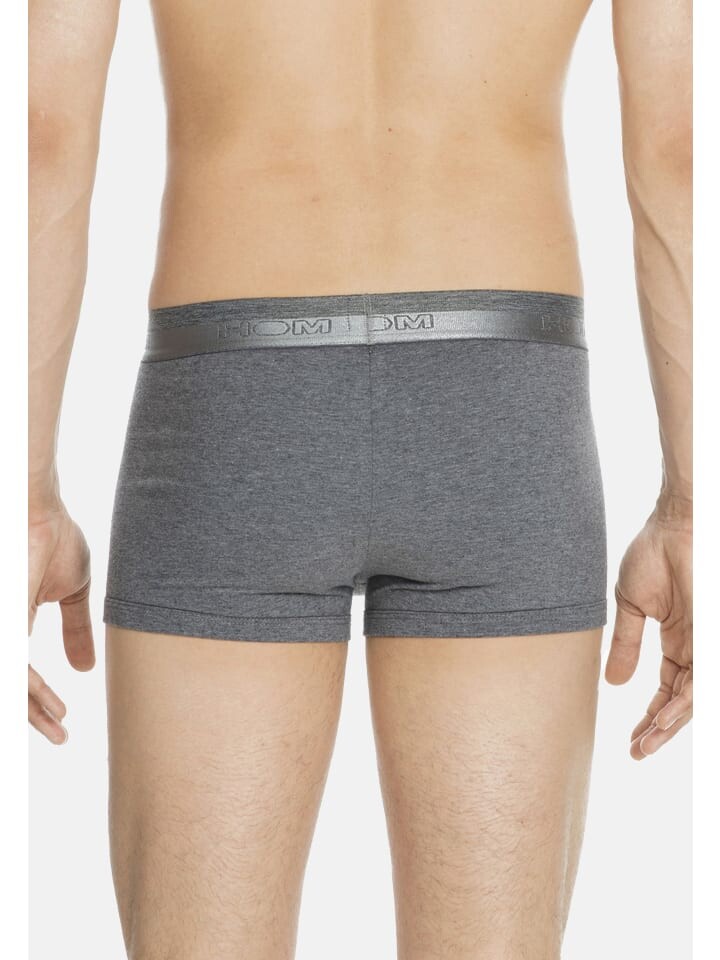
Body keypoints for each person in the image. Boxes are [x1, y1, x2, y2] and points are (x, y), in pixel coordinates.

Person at [28, 0, 692, 956]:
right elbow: (677, 146)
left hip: (234, 399)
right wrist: (689, 502)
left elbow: (42, 132)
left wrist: (25, 495)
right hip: (499, 395)